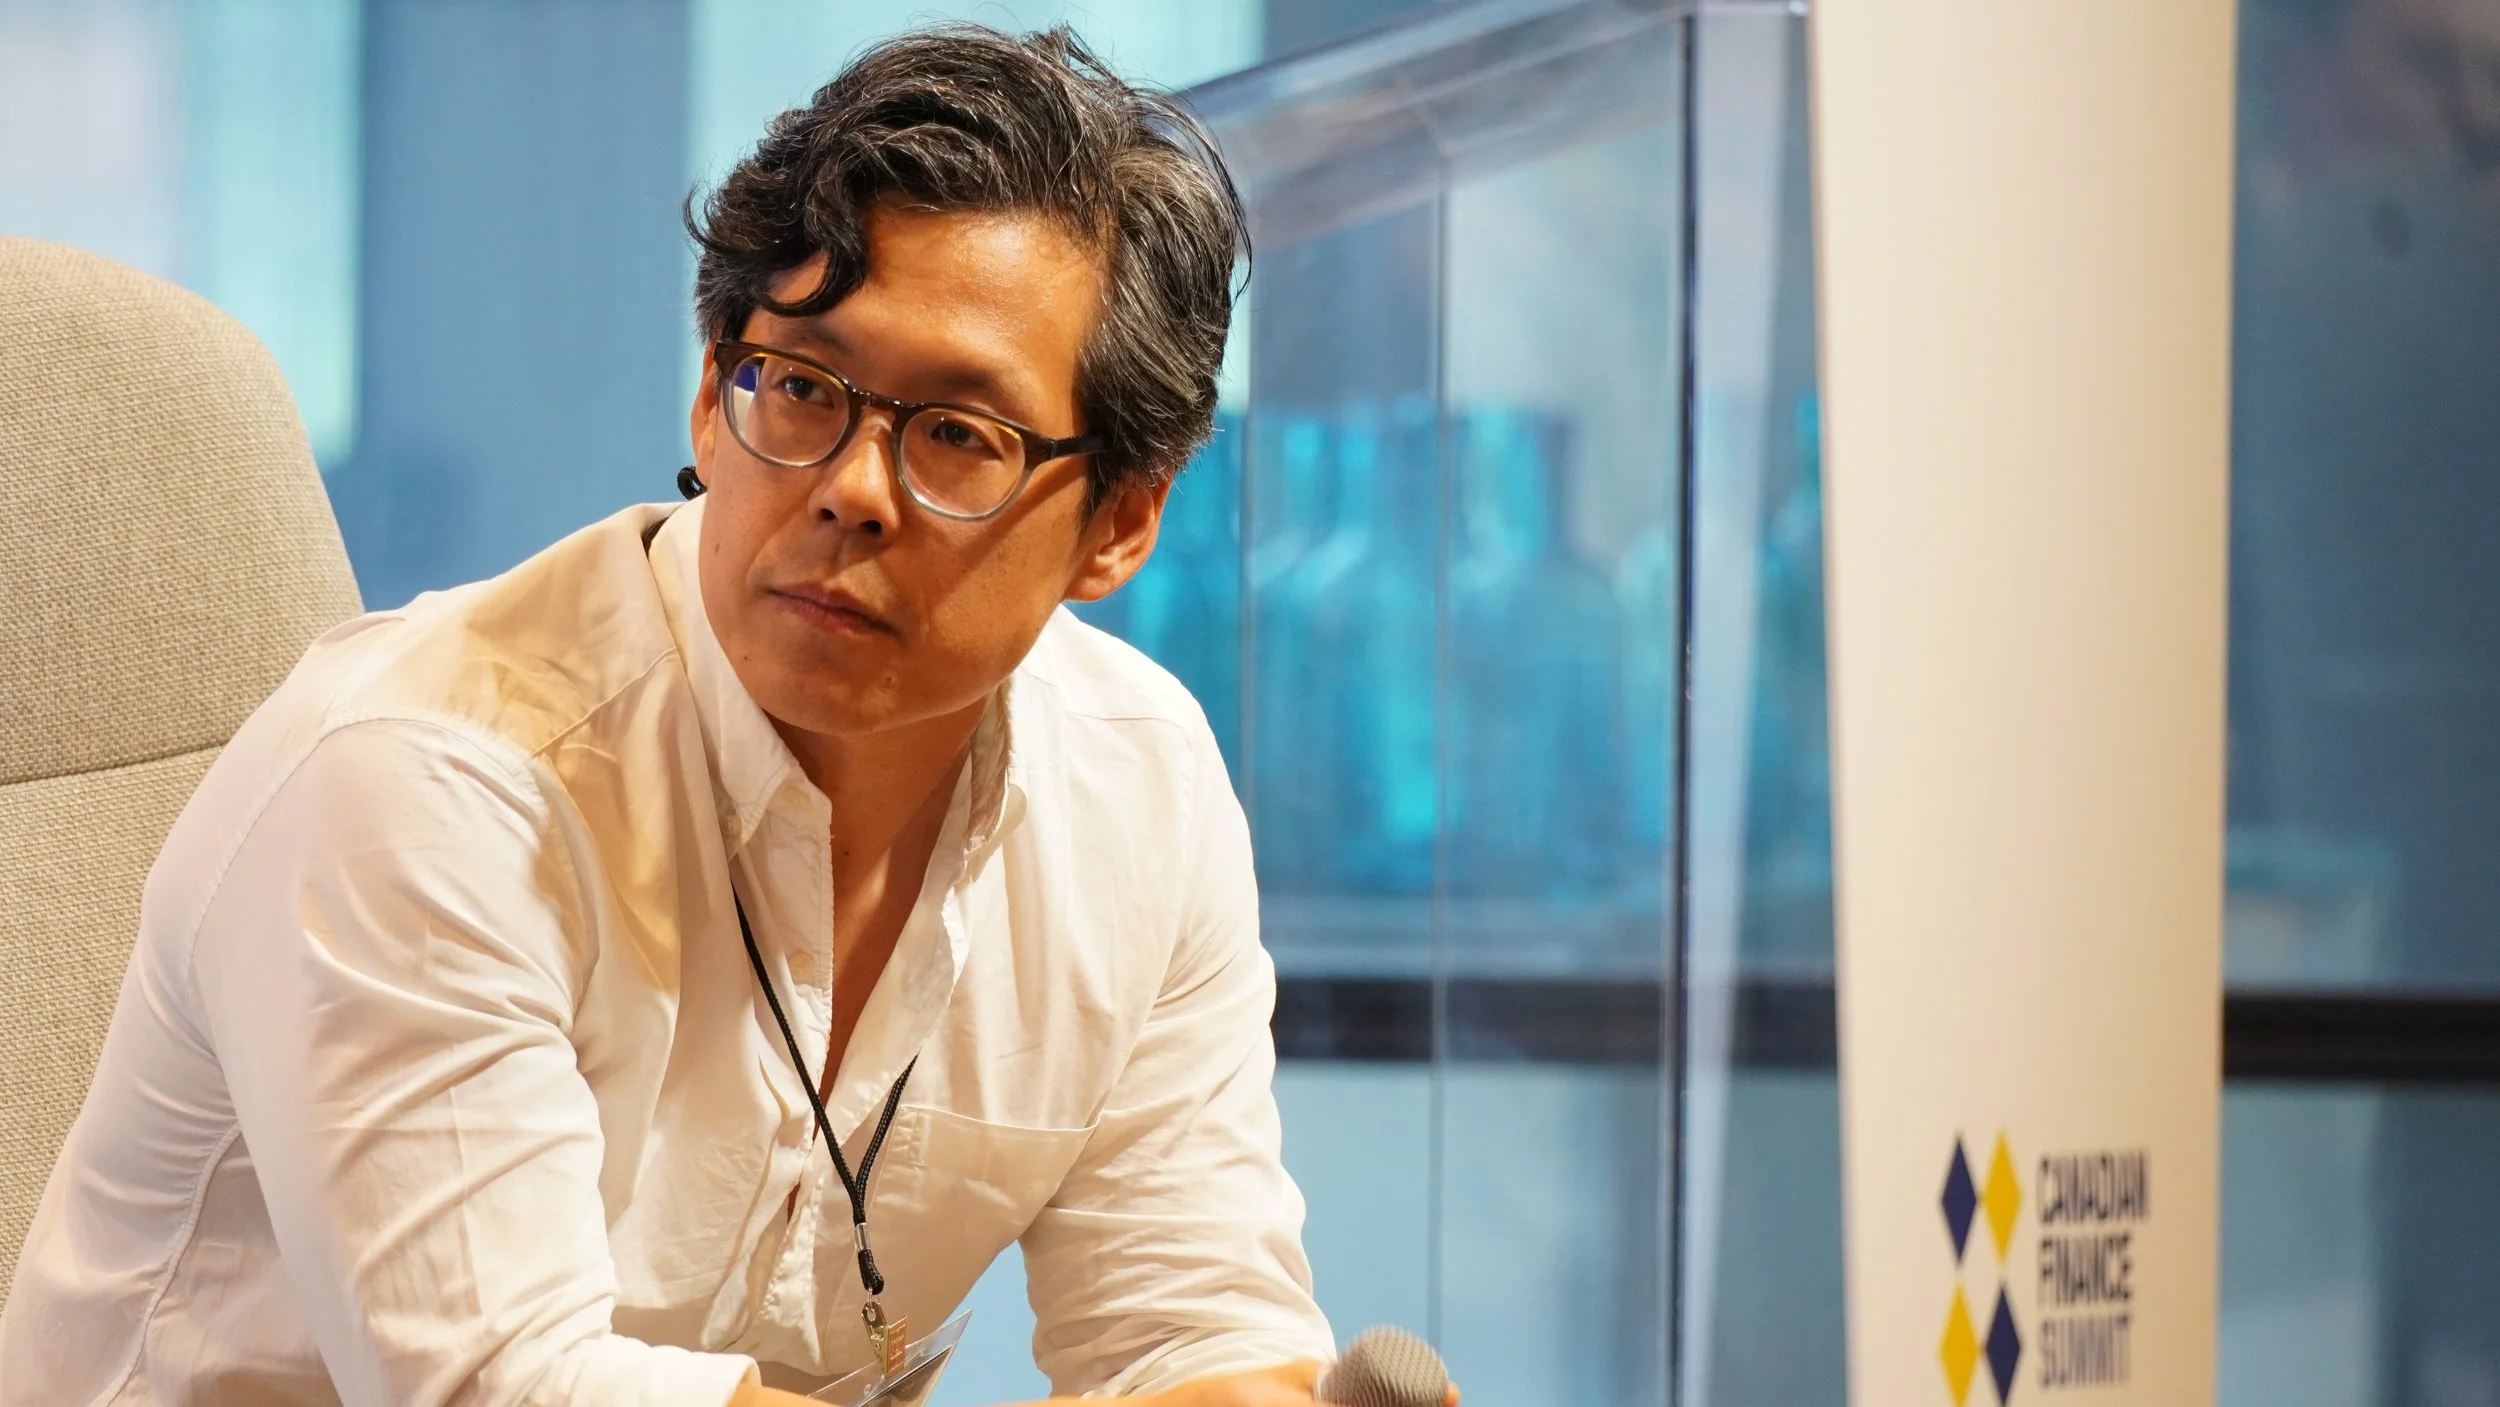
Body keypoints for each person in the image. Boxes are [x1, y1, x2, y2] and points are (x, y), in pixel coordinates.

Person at [0, 25, 1406, 1407]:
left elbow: (1183, 1324)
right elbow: (513, 1387)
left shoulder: (1138, 786)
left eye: (957, 435)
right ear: (706, 391)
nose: (852, 485)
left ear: (1123, 520)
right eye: (798, 388)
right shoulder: (427, 780)